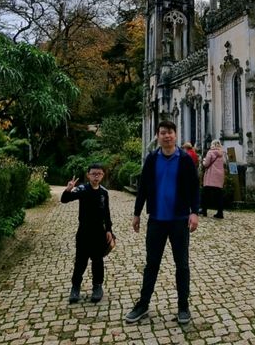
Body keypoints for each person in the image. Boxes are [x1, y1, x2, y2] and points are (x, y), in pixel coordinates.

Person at [125, 121, 199, 325]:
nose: (167, 136)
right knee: (151, 264)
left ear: (176, 135)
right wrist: (137, 213)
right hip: (156, 219)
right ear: (158, 135)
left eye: (170, 132)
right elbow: (143, 188)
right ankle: (143, 304)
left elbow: (194, 187)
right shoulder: (151, 159)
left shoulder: (185, 159)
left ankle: (183, 306)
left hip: (179, 220)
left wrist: (195, 212)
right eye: (163, 133)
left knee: (182, 265)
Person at [61, 163, 114, 304]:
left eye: (99, 174)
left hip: (99, 233)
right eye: (93, 173)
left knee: (97, 261)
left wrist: (109, 230)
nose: (96, 176)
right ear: (88, 175)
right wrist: (68, 190)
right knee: (80, 261)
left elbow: (106, 213)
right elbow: (65, 200)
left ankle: (97, 286)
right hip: (84, 232)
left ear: (103, 175)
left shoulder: (104, 192)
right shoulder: (82, 189)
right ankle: (75, 287)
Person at [199, 139, 225, 219]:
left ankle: (204, 210)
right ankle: (220, 212)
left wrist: (203, 161)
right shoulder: (222, 153)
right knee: (219, 195)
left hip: (210, 176)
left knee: (205, 194)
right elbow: (224, 163)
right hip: (219, 176)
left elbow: (206, 164)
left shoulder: (210, 152)